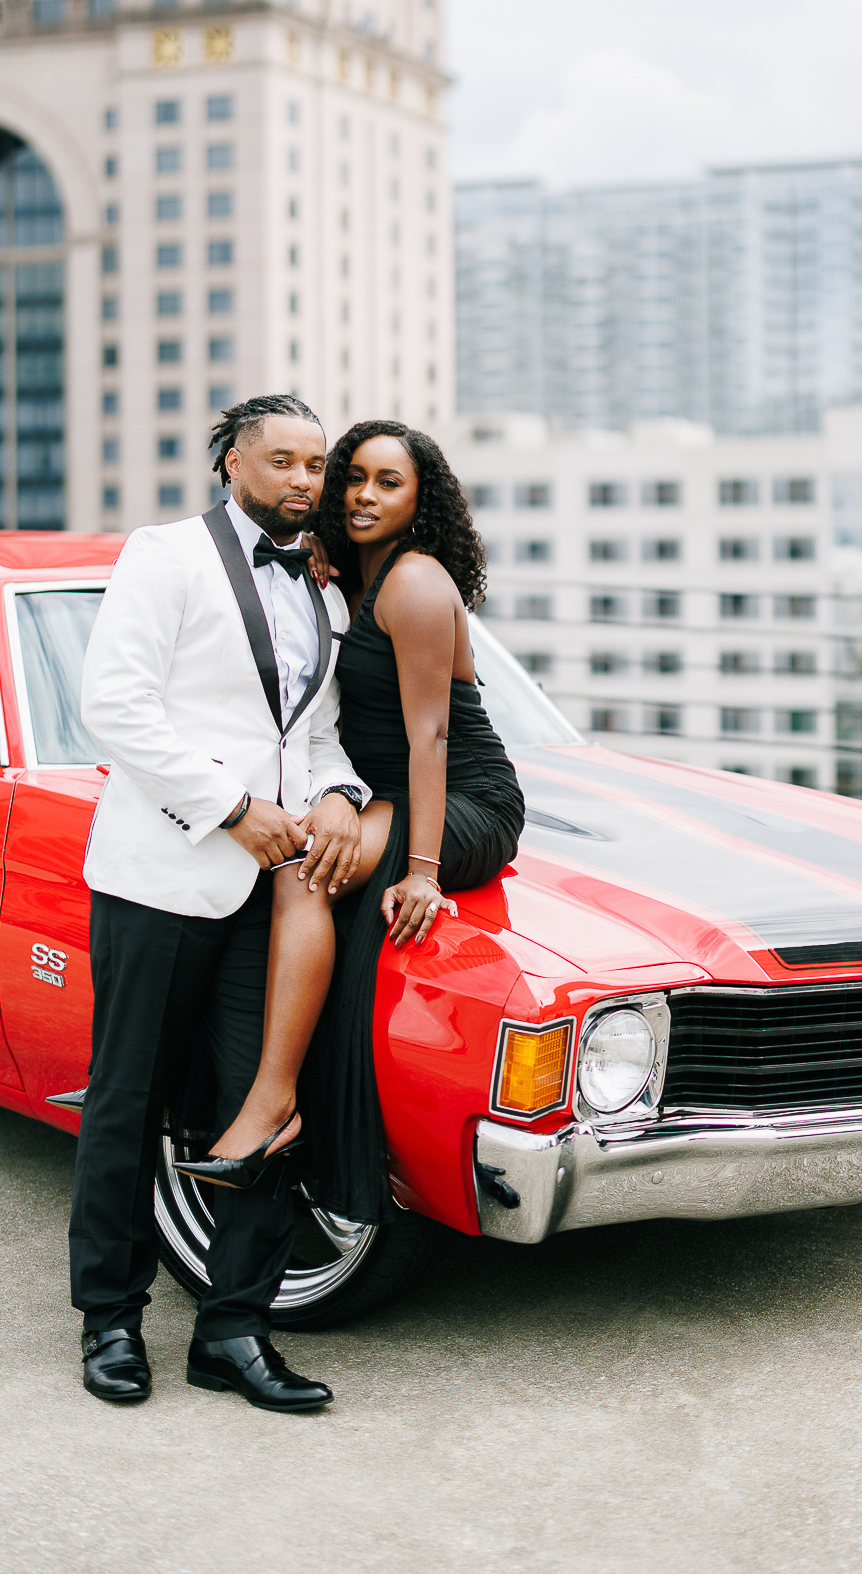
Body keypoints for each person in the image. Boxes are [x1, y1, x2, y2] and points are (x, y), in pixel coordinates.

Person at [70, 395, 368, 1413]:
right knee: (129, 1098)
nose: (302, 480)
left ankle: (234, 1327)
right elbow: (113, 704)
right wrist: (231, 806)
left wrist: (337, 792)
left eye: (316, 464)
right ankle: (109, 1317)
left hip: (279, 893)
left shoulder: (323, 593)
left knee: (263, 1106)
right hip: (164, 871)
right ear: (231, 460)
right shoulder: (165, 555)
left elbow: (313, 733)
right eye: (281, 460)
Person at [212, 419, 525, 1227]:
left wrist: (421, 870)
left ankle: (274, 1102)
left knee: (301, 870)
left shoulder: (415, 581)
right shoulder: (349, 572)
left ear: (420, 501)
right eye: (353, 477)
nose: (362, 494)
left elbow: (433, 737)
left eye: (388, 482)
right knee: (306, 853)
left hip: (464, 798)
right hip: (383, 790)